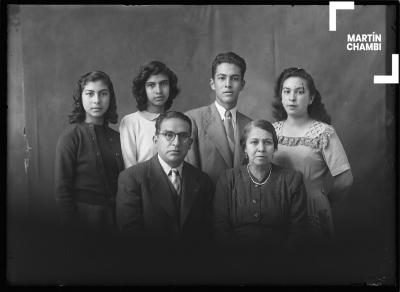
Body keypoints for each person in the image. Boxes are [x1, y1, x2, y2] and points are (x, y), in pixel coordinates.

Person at [271, 67, 353, 241]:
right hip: (276, 209)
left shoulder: (323, 132)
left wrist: (321, 201)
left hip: (311, 209)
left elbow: (345, 179)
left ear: (311, 98)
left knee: (312, 263)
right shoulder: (271, 131)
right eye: (287, 92)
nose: (292, 98)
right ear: (281, 96)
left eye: (299, 92)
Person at [116, 111, 214, 245]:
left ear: (190, 143)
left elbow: (207, 233)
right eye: (169, 135)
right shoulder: (132, 178)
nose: (176, 142)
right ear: (155, 140)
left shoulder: (203, 181)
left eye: (183, 136)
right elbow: (130, 234)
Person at [213, 120, 309, 252]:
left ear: (274, 148)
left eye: (267, 142)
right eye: (254, 142)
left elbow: (299, 229)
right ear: (245, 148)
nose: (261, 148)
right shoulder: (227, 179)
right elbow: (220, 227)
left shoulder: (292, 180)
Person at [54, 70, 124, 231]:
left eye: (103, 94)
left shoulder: (117, 137)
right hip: (84, 219)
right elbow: (62, 191)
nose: (97, 100)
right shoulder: (71, 136)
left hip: (116, 219)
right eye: (90, 94)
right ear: (81, 98)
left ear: (110, 97)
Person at [185, 52, 252, 186]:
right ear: (212, 83)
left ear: (242, 85)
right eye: (222, 78)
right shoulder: (192, 119)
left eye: (234, 78)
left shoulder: (251, 125)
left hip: (243, 204)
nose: (228, 84)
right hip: (206, 201)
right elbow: (189, 173)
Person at [119, 61, 180, 168]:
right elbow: (130, 168)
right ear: (143, 89)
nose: (159, 91)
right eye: (151, 85)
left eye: (163, 84)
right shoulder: (130, 122)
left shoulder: (178, 122)